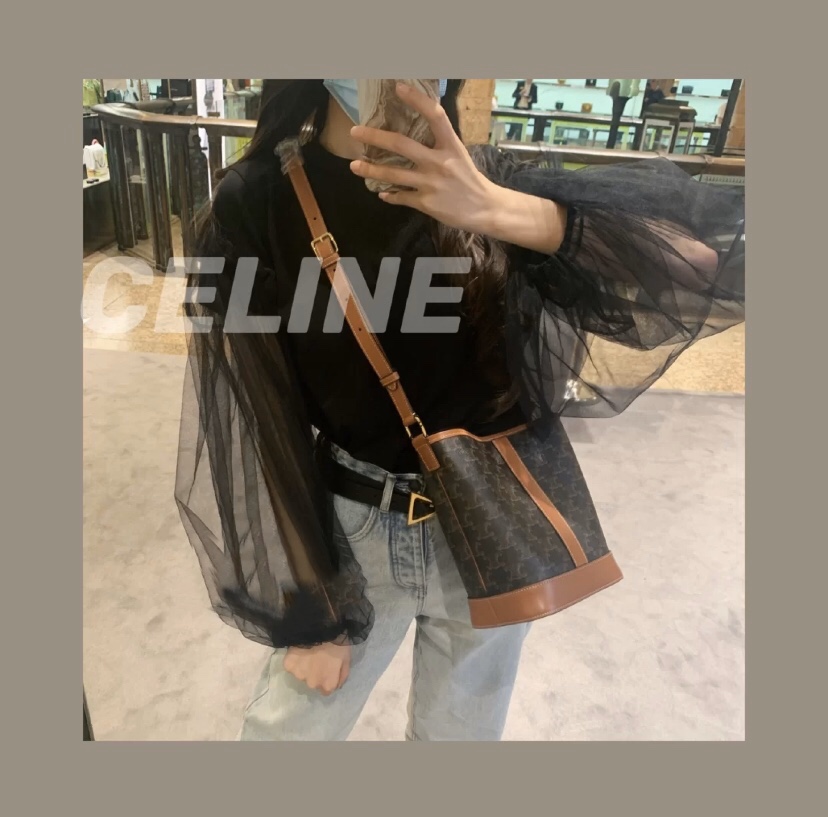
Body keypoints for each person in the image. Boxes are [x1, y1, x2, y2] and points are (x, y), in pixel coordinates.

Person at [175, 79, 745, 741]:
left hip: (488, 523)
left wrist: (495, 208)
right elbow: (252, 413)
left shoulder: (495, 179)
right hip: (351, 532)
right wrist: (308, 605)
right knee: (283, 739)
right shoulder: (259, 201)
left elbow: (701, 265)